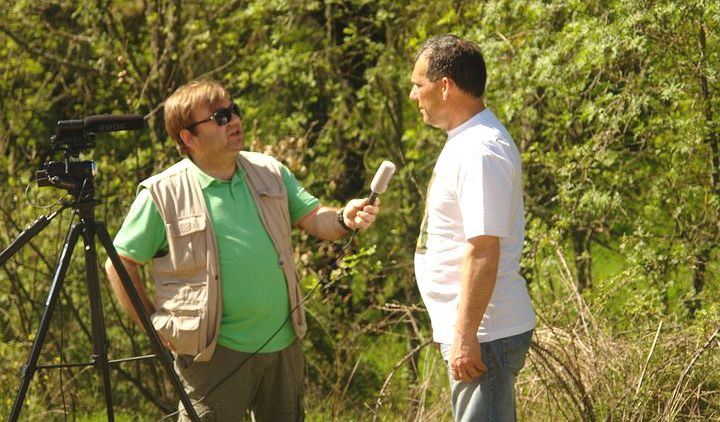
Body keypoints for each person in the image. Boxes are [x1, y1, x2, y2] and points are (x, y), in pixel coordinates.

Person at [104, 80, 379, 421]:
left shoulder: (270, 171)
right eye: (219, 117)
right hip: (211, 355)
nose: (234, 120)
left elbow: (314, 218)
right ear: (188, 138)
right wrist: (153, 325)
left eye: (233, 110)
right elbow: (119, 264)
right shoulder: (163, 193)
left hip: (283, 344)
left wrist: (344, 217)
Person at [409, 35, 536, 421]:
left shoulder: (481, 149)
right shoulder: (467, 141)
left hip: (485, 334)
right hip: (478, 330)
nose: (414, 96)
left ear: (444, 86)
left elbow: (483, 248)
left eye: (418, 84)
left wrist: (466, 335)